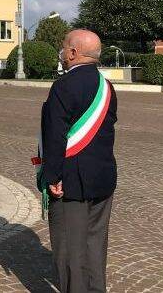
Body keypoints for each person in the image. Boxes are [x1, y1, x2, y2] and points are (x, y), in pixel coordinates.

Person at [39, 29, 117, 293]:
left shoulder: (63, 86)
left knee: (70, 251)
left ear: (72, 53)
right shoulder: (107, 87)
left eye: (63, 48)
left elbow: (55, 135)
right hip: (103, 179)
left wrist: (52, 177)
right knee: (95, 247)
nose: (62, 53)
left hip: (70, 182)